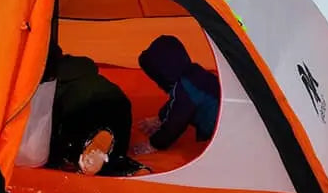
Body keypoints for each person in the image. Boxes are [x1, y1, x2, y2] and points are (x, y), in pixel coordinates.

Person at [46, 44, 149, 177]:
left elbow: (49, 119)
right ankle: (126, 163)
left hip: (82, 106)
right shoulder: (79, 67)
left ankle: (93, 149)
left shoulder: (48, 80)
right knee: (114, 134)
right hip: (118, 100)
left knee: (71, 143)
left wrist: (55, 155)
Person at [133, 35, 220, 155]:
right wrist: (160, 118)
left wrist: (154, 144)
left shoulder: (185, 89)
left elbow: (175, 123)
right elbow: (175, 103)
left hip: (219, 128)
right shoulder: (193, 72)